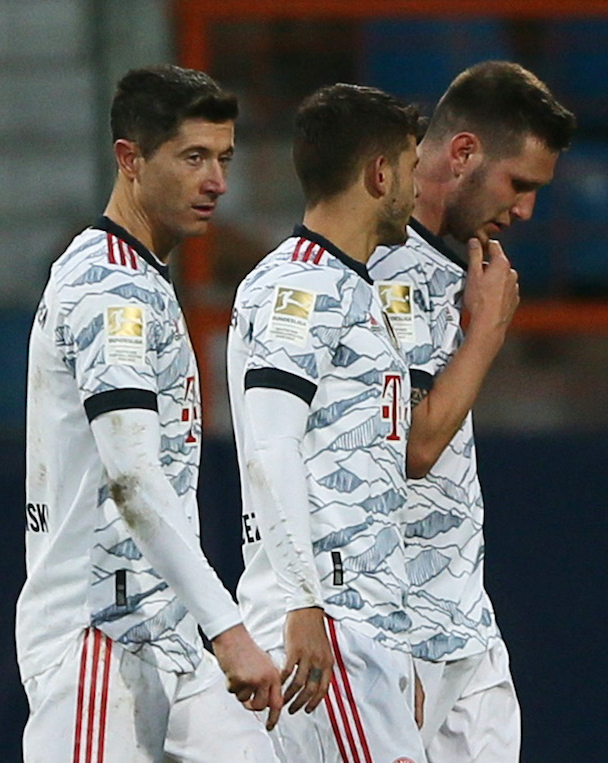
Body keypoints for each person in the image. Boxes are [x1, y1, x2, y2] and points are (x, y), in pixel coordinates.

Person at [15, 64, 282, 763]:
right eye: (193, 157)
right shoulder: (110, 289)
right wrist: (228, 629)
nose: (217, 181)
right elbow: (133, 482)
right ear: (129, 160)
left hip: (158, 635)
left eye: (223, 158)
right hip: (97, 641)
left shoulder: (139, 277)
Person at [368, 60, 577, 762]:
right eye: (519, 185)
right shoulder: (365, 262)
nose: (525, 212)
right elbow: (409, 448)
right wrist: (485, 334)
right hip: (391, 637)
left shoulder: (463, 268)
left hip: (467, 631)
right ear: (462, 153)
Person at [227, 82, 426, 762]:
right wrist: (304, 601)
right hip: (328, 623)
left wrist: (399, 645)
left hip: (363, 623)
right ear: (378, 174)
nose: (415, 187)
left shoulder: (348, 287)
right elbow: (270, 443)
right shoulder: (300, 289)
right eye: (409, 167)